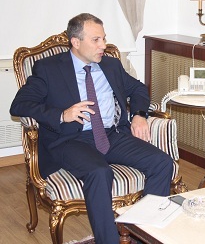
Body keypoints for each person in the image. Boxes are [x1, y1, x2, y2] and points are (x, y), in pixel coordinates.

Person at [10, 13, 174, 243]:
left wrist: (138, 115)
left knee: (162, 162)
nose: (103, 46)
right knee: (99, 172)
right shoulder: (48, 69)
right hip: (71, 140)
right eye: (96, 40)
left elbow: (137, 89)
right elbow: (20, 104)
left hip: (111, 135)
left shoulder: (110, 65)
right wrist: (62, 114)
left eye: (104, 39)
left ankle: (143, 235)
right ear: (75, 42)